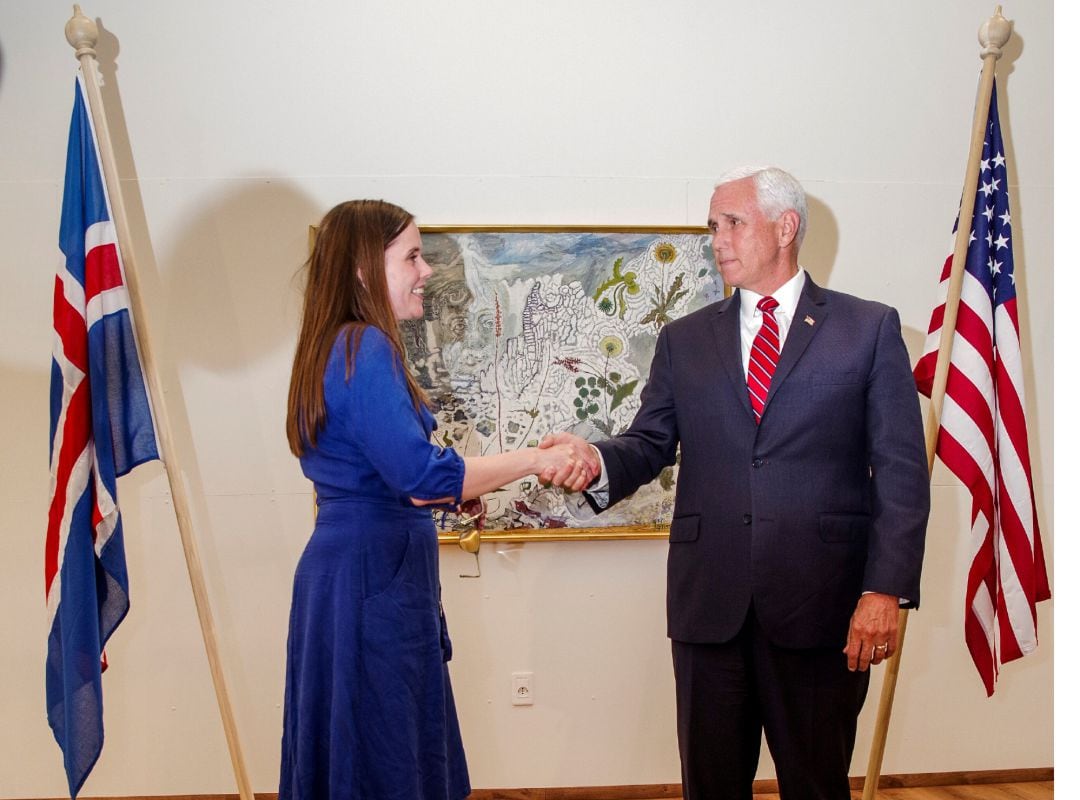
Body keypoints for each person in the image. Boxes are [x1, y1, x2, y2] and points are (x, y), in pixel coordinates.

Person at [541, 167, 930, 800]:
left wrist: (884, 590)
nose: (716, 240)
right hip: (709, 608)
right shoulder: (684, 341)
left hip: (822, 608)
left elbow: (902, 474)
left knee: (816, 785)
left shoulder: (868, 329)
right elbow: (648, 443)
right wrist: (595, 458)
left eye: (732, 223)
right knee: (711, 787)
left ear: (786, 227)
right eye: (712, 227)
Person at [279, 199, 595, 800]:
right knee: (388, 750)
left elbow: (393, 480)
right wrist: (535, 458)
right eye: (413, 257)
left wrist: (450, 495)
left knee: (360, 745)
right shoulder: (364, 347)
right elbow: (420, 476)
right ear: (366, 269)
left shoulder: (330, 346)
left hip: (349, 572)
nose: (427, 271)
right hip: (373, 578)